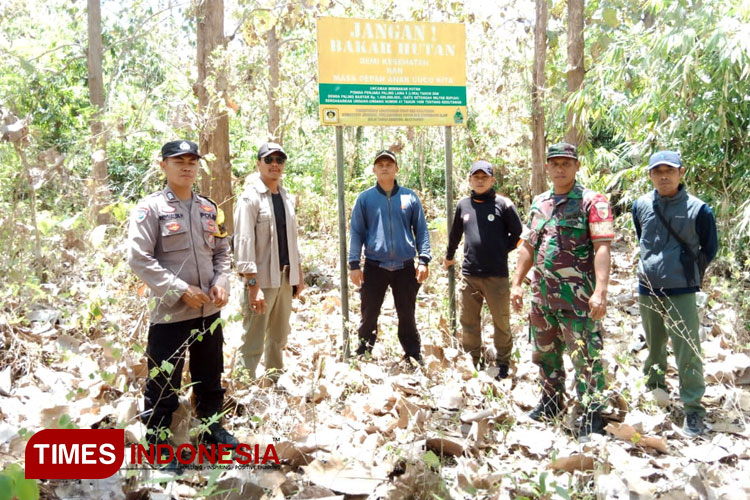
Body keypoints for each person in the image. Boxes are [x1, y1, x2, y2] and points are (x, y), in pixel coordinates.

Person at [128, 139, 237, 470]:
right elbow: (138, 258)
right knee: (164, 379)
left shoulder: (209, 209)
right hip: (171, 313)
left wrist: (221, 282)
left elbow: (222, 251)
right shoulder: (150, 210)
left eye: (192, 161)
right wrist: (178, 289)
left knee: (209, 374)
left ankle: (210, 428)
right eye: (179, 161)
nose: (187, 166)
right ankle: (159, 444)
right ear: (163, 166)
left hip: (208, 311)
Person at [510, 142, 613, 441]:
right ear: (547, 166)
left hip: (579, 299)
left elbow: (602, 246)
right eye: (554, 163)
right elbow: (528, 246)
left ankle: (592, 411)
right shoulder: (540, 202)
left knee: (586, 358)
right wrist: (517, 283)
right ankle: (551, 402)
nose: (559, 168)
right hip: (542, 298)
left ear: (577, 166)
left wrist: (601, 292)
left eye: (566, 163)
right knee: (545, 355)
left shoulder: (592, 202)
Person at [632, 150, 718, 437]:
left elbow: (710, 248)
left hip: (681, 289)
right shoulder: (641, 205)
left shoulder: (699, 209)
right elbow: (640, 236)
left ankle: (693, 409)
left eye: (669, 170)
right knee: (654, 345)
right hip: (649, 288)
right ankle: (656, 392)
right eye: (657, 171)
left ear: (682, 172)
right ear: (650, 175)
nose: (664, 175)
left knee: (687, 349)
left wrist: (686, 271)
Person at [349, 149, 431, 363]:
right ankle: (364, 352)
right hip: (375, 265)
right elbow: (356, 231)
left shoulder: (409, 197)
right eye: (380, 164)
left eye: (389, 164)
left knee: (407, 314)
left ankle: (413, 354)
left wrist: (424, 259)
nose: (384, 167)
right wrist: (354, 264)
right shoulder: (365, 199)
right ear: (374, 170)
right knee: (369, 314)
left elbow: (421, 230)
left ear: (396, 169)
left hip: (405, 266)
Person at [444, 160, 523, 378]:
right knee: (469, 321)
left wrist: (501, 250)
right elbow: (455, 234)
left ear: (492, 180)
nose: (480, 180)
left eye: (484, 177)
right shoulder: (463, 205)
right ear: (469, 180)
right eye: (476, 177)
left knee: (501, 321)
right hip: (470, 275)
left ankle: (503, 363)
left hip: (496, 276)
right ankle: (472, 361)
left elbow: (519, 236)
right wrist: (449, 256)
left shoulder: (503, 205)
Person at [234, 142, 304, 381]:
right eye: (269, 160)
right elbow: (243, 241)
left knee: (279, 335)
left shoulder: (285, 196)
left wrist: (298, 276)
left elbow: (292, 240)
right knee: (253, 336)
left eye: (279, 160)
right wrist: (252, 284)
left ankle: (273, 382)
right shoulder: (250, 198)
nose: (275, 164)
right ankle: (243, 389)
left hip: (285, 276)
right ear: (259, 164)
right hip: (261, 278)